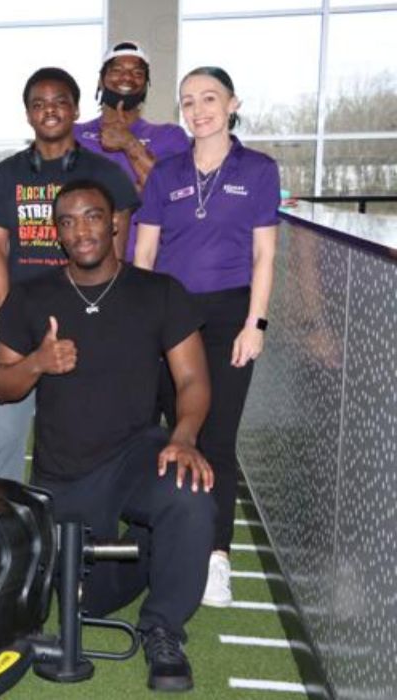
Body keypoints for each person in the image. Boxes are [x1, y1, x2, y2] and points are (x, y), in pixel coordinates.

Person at [0, 180, 214, 692]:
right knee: (80, 604)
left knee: (188, 489)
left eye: (92, 216)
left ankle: (163, 630)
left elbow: (192, 379)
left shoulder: (159, 292)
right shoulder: (31, 297)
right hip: (63, 475)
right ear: (57, 235)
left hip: (136, 454)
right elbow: (0, 385)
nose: (81, 230)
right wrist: (38, 363)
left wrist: (183, 436)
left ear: (114, 223)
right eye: (67, 222)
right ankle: (133, 559)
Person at [134, 66, 279, 609]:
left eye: (210, 98)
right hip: (168, 314)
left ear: (233, 102)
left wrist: (255, 324)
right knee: (168, 430)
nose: (199, 109)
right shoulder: (165, 173)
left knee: (216, 438)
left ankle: (216, 555)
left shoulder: (259, 170)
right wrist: (141, 322)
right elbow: (144, 254)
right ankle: (162, 542)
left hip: (229, 316)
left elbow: (265, 255)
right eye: (188, 100)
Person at [0, 67, 139, 483]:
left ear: (76, 109)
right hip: (23, 323)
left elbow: (115, 253)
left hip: (88, 320)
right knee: (3, 449)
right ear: (28, 114)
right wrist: (9, 315)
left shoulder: (107, 175)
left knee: (80, 447)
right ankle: (4, 535)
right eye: (39, 104)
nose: (50, 111)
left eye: (60, 101)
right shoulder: (4, 176)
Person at [73, 41, 189, 258]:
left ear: (146, 84)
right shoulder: (74, 134)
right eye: (117, 70)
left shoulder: (169, 136)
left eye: (137, 72)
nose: (127, 78)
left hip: (150, 266)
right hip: (83, 265)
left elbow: (175, 196)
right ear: (100, 81)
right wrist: (134, 190)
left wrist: (130, 143)